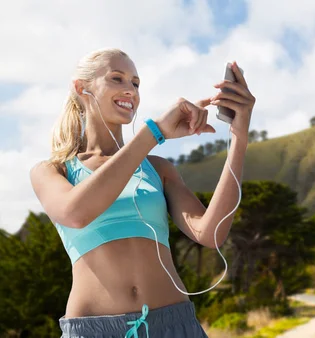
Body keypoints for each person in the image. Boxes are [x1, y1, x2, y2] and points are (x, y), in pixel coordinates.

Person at [29, 48, 255, 337]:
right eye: (117, 78)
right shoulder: (52, 171)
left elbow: (211, 233)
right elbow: (75, 214)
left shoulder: (158, 169)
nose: (130, 90)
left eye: (135, 83)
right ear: (81, 87)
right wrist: (154, 132)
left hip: (174, 326)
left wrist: (239, 136)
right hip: (93, 331)